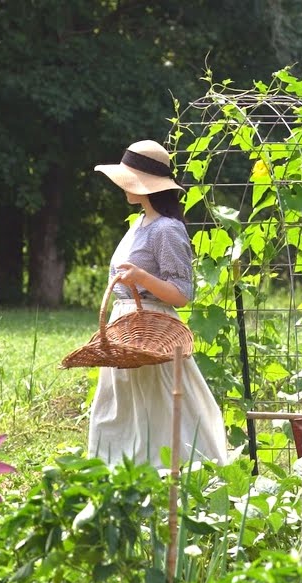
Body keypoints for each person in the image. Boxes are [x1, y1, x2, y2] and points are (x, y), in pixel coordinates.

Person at [87, 140, 230, 467]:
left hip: (153, 329)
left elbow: (181, 293)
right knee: (121, 410)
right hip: (126, 328)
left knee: (161, 409)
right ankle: (118, 474)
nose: (124, 186)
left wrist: (142, 277)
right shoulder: (139, 223)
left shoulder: (166, 230)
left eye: (130, 180)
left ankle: (174, 474)